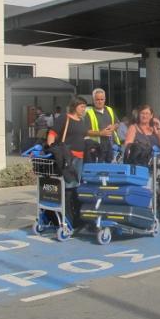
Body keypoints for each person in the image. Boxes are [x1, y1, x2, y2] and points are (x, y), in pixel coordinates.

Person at [46, 96, 88, 231]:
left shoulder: (81, 120)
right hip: (69, 157)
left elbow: (83, 136)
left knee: (76, 187)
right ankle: (68, 218)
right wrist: (52, 149)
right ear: (75, 106)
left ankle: (75, 217)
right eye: (82, 106)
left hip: (80, 158)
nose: (84, 109)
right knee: (69, 187)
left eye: (84, 107)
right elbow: (52, 133)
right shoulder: (65, 118)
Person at [85, 88, 121, 162]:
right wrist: (101, 133)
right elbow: (85, 131)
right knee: (99, 170)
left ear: (105, 99)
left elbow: (117, 123)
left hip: (111, 146)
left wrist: (113, 127)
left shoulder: (109, 110)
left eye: (102, 99)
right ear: (93, 100)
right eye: (97, 99)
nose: (100, 101)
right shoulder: (88, 113)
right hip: (97, 147)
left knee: (111, 170)